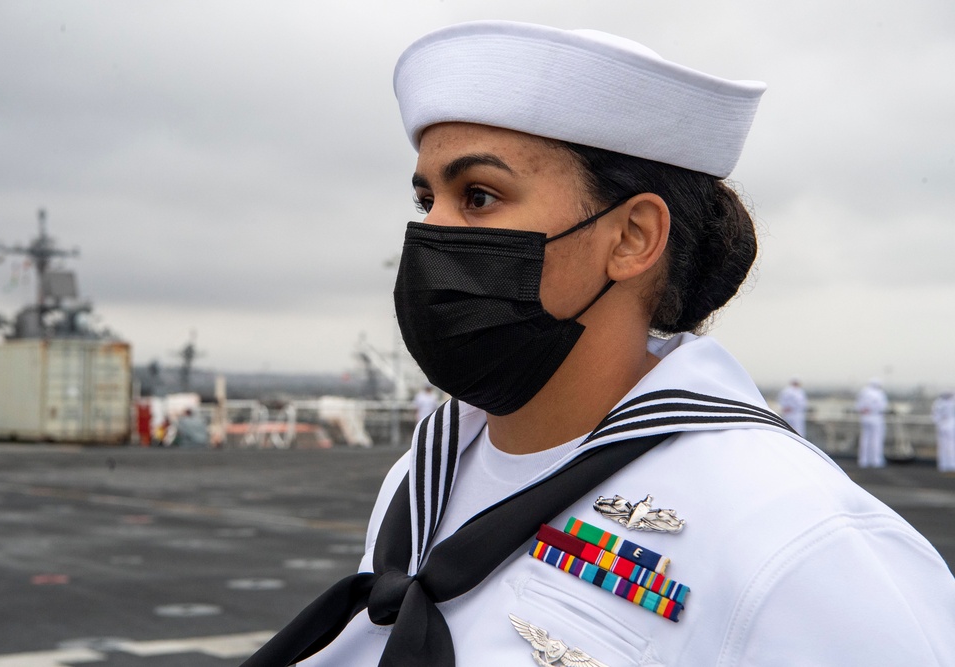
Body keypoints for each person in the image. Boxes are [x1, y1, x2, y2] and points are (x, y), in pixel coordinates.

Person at [243, 21, 955, 667]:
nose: (437, 233)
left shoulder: (800, 544)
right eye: (428, 199)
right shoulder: (422, 480)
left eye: (480, 196)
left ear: (632, 237)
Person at [855, 378, 889, 468]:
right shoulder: (880, 394)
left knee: (864, 439)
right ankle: (876, 460)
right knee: (876, 440)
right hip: (876, 417)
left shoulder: (864, 392)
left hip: (865, 417)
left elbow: (858, 406)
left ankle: (863, 460)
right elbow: (883, 407)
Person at [932, 390, 955, 473]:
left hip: (950, 427)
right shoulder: (938, 403)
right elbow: (935, 416)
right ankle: (944, 465)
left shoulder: (951, 403)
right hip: (943, 426)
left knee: (951, 447)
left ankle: (951, 464)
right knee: (943, 447)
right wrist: (940, 422)